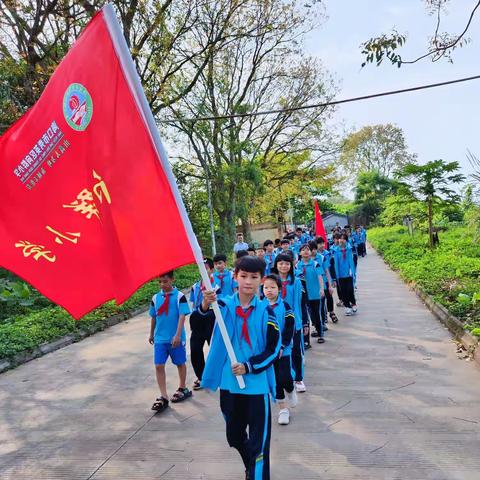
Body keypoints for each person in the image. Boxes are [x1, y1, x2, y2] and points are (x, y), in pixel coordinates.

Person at [200, 256, 281, 480]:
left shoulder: (267, 312)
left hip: (257, 388)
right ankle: (250, 466)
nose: (248, 281)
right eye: (243, 276)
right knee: (234, 437)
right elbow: (199, 323)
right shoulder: (222, 305)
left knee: (259, 445)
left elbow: (274, 350)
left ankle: (256, 474)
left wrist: (249, 366)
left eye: (254, 277)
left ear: (261, 280)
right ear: (235, 277)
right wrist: (206, 304)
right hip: (230, 386)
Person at [149, 271, 192, 413]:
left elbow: (182, 316)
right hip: (160, 338)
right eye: (160, 281)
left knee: (180, 363)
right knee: (159, 365)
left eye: (165, 281)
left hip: (175, 338)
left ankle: (182, 387)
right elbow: (154, 317)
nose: (163, 284)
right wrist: (151, 334)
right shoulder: (155, 298)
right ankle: (164, 395)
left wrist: (178, 335)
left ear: (172, 280)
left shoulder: (179, 297)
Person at [272, 253, 309, 392]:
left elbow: (299, 304)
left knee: (296, 351)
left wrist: (302, 322)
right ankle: (280, 378)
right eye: (280, 263)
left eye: (287, 263)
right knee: (278, 351)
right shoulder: (271, 282)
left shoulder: (297, 281)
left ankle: (299, 378)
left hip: (293, 322)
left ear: (291, 265)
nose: (283, 266)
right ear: (276, 265)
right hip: (275, 322)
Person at [263, 274, 296, 425]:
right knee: (275, 380)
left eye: (272, 287)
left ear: (279, 289)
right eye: (266, 287)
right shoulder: (259, 306)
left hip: (284, 349)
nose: (269, 290)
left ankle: (291, 388)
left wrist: (283, 345)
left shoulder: (285, 306)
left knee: (285, 378)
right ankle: (283, 409)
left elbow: (289, 327)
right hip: (269, 351)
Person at [189, 258, 216, 390]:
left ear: (211, 270)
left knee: (216, 348)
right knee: (195, 349)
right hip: (198, 318)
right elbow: (194, 304)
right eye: (200, 267)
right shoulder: (195, 287)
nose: (203, 270)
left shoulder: (216, 285)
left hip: (212, 319)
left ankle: (218, 374)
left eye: (205, 267)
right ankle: (201, 377)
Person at [295, 244, 325, 343]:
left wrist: (321, 289)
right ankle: (316, 329)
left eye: (307, 249)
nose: (306, 251)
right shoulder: (297, 265)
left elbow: (320, 276)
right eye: (303, 250)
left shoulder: (315, 263)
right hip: (304, 295)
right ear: (300, 253)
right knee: (309, 315)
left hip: (315, 293)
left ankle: (321, 334)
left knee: (317, 313)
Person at [333, 234, 357, 316]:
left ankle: (353, 303)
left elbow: (353, 261)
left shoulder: (350, 249)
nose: (342, 240)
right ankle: (347, 306)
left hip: (349, 273)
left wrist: (352, 272)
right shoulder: (335, 250)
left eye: (344, 239)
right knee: (343, 291)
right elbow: (335, 264)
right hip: (340, 275)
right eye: (340, 238)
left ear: (346, 240)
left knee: (350, 289)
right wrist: (336, 276)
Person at [316, 237, 338, 323]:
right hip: (318, 281)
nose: (322, 245)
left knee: (329, 296)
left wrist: (334, 280)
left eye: (323, 243)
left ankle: (331, 312)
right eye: (319, 244)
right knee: (321, 299)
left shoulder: (328, 254)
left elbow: (331, 268)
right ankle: (324, 316)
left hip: (327, 279)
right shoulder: (314, 256)